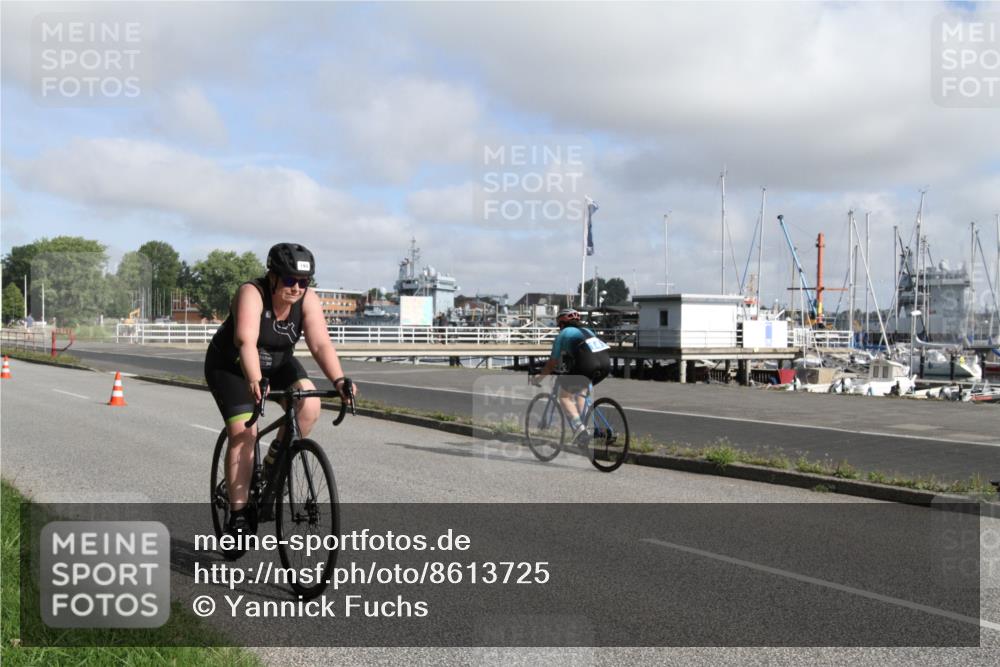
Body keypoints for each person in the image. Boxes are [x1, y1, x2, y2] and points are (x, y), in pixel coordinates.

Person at [204, 242, 356, 545]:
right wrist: (256, 381)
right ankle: (238, 514)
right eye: (289, 280)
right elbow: (246, 342)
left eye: (303, 281)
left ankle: (273, 465)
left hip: (278, 361)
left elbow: (320, 344)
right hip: (232, 366)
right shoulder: (252, 293)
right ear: (272, 276)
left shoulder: (307, 299)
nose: (297, 288)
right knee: (244, 433)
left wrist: (339, 380)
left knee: (309, 405)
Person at [531, 308, 611, 441]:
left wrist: (539, 378)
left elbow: (552, 363)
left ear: (561, 323)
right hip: (605, 364)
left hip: (586, 364)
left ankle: (580, 430)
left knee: (564, 397)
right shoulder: (589, 331)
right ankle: (591, 429)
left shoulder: (564, 334)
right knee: (581, 394)